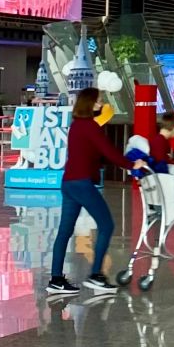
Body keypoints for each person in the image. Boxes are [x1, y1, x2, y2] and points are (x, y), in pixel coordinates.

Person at [46, 87, 137, 295]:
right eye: (98, 101)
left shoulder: (77, 126)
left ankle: (56, 279)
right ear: (90, 103)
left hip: (69, 183)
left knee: (64, 232)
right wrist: (133, 165)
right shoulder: (90, 127)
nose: (101, 104)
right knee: (106, 225)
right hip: (82, 184)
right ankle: (96, 275)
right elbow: (109, 152)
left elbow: (93, 154)